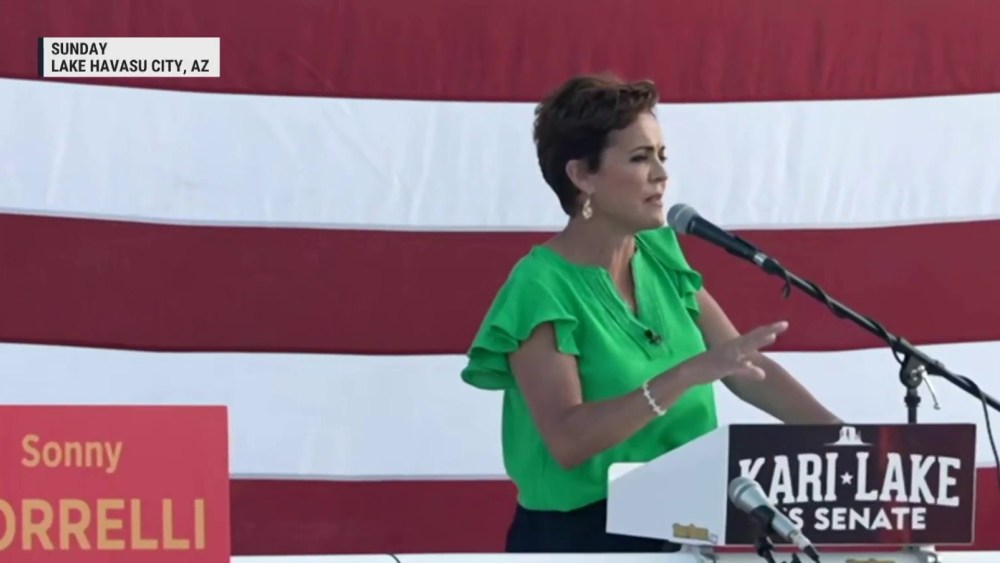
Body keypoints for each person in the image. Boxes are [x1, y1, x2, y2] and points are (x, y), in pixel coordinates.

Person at [459, 73, 841, 553]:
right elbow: (568, 440)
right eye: (640, 158)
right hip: (582, 538)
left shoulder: (659, 252)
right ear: (582, 176)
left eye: (662, 156)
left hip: (687, 523)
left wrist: (847, 442)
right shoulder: (539, 287)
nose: (661, 174)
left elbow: (743, 368)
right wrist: (685, 375)